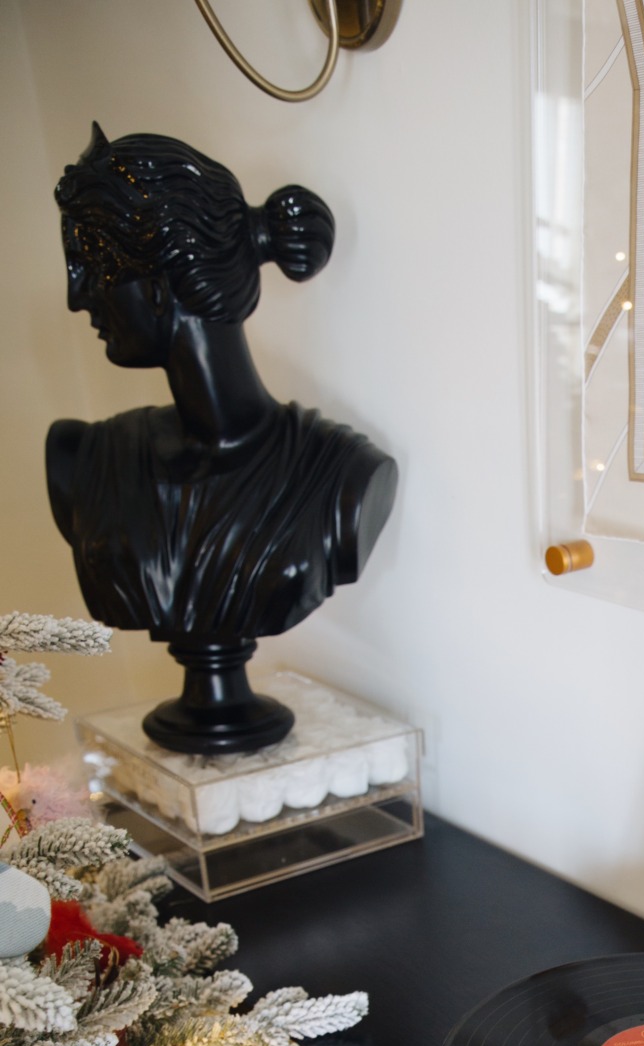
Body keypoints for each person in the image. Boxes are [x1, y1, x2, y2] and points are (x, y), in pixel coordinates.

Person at [48, 126, 396, 755]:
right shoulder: (81, 460)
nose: (78, 297)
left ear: (160, 284)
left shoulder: (343, 476)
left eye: (93, 267)